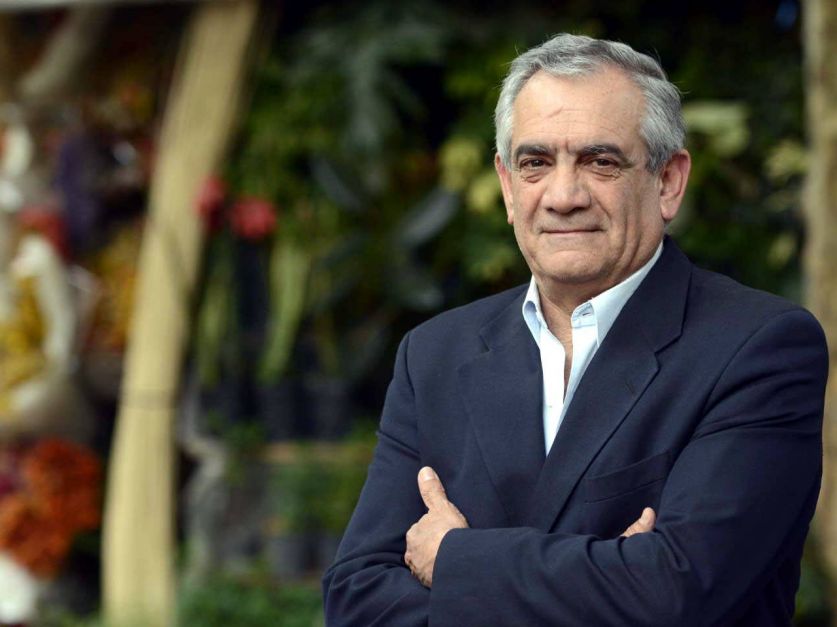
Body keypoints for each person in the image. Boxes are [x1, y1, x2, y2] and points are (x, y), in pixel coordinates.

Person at [322, 33, 828, 626]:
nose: (563, 196)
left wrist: (455, 559)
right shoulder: (434, 355)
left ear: (668, 182)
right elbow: (357, 598)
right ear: (508, 187)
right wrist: (612, 576)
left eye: (600, 161)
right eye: (535, 163)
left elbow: (677, 595)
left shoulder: (758, 348)